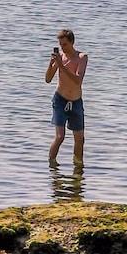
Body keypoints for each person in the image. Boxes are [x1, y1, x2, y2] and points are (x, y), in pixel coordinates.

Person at [44, 28, 87, 165]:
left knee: (80, 139)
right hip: (60, 100)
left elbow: (78, 81)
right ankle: (51, 166)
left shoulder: (81, 58)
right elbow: (48, 79)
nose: (62, 48)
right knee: (60, 136)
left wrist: (62, 66)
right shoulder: (60, 58)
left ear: (72, 42)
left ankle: (78, 167)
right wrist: (51, 65)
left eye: (65, 45)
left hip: (76, 101)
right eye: (60, 45)